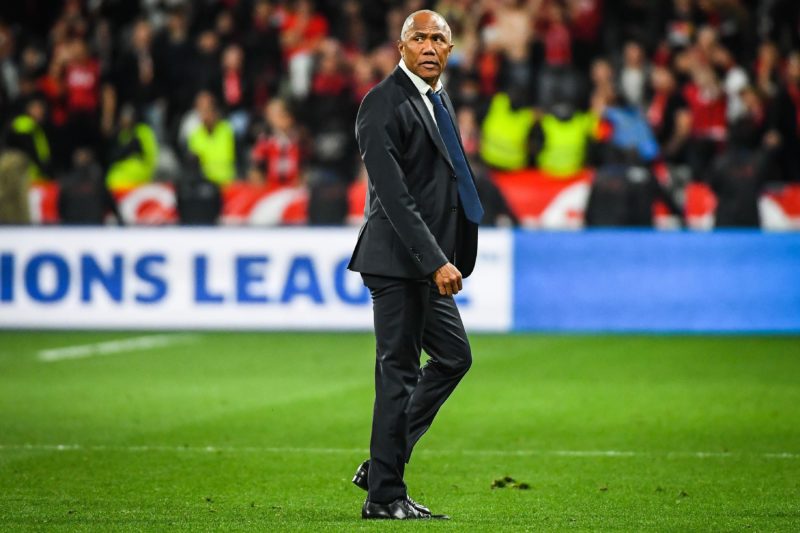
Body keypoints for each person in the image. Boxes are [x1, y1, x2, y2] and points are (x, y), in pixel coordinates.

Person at [347, 9, 482, 521]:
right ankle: (384, 498)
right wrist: (435, 261)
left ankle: (383, 467)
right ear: (401, 47)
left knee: (453, 357)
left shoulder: (435, 98)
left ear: (450, 49)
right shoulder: (381, 103)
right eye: (419, 37)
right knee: (398, 373)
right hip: (399, 260)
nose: (429, 46)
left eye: (439, 39)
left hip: (424, 262)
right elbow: (395, 196)